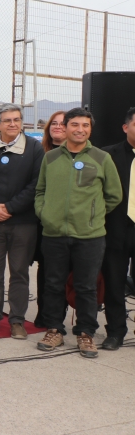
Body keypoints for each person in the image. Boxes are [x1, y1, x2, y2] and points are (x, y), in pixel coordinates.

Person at [35, 108, 122, 358]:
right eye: (75, 124)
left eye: (85, 125)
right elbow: (40, 191)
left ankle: (85, 333)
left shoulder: (102, 158)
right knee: (52, 284)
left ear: (90, 129)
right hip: (54, 233)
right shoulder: (50, 158)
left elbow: (114, 194)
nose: (80, 129)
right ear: (65, 126)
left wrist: (92, 215)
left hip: (90, 236)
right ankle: (54, 330)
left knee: (86, 286)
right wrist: (45, 213)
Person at [0, 105, 43, 339]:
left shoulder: (34, 148)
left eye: (17, 119)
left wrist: (10, 208)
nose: (13, 124)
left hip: (23, 222)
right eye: (7, 120)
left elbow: (36, 185)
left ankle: (17, 320)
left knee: (19, 272)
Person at [98, 107, 135, 351]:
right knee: (114, 284)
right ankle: (116, 332)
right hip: (116, 231)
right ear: (126, 127)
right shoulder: (106, 156)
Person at [33, 110, 67, 327]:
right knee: (45, 269)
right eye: (53, 123)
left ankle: (60, 314)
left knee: (66, 272)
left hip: (72, 224)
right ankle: (44, 313)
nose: (58, 127)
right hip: (43, 222)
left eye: (63, 124)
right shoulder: (39, 153)